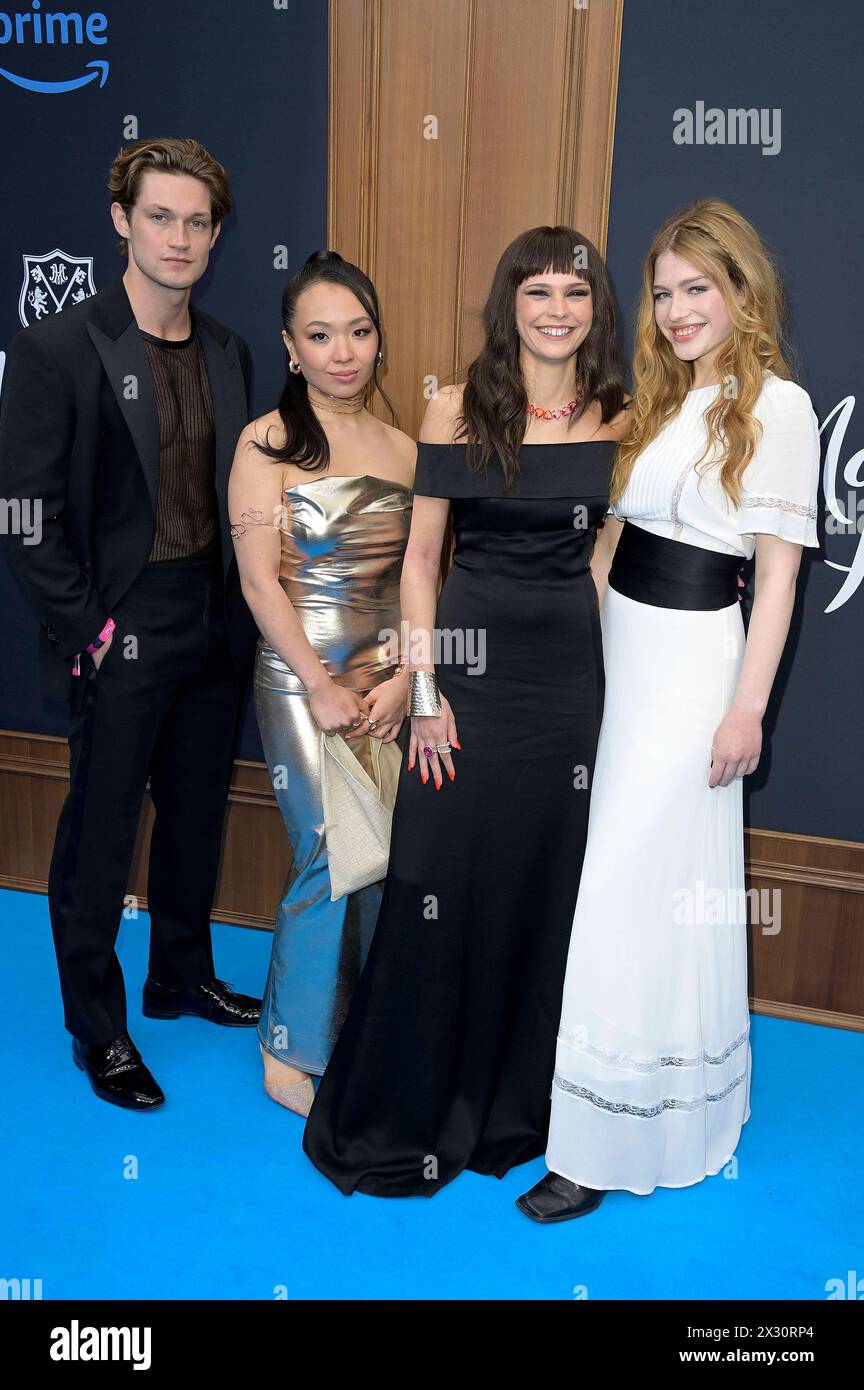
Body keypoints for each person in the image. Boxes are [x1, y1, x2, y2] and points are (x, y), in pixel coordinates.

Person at [303, 225, 630, 1195]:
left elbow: (608, 559)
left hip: (567, 684)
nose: (557, 312)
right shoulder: (454, 409)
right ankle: (413, 1100)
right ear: (510, 306)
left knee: (543, 882)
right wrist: (430, 691)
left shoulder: (619, 414)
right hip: (467, 679)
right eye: (537, 294)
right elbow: (419, 562)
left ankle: (517, 1104)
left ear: (594, 309)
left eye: (575, 294)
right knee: (437, 876)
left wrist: (629, 685)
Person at [516, 199, 821, 1221]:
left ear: (741, 290)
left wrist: (748, 713)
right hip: (622, 666)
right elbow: (609, 550)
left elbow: (774, 582)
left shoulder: (777, 407)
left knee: (628, 889)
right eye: (664, 293)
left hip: (696, 674)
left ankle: (601, 1145)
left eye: (700, 288)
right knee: (624, 884)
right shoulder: (655, 403)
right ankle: (611, 1105)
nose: (680, 309)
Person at [0, 138, 262, 1111]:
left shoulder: (232, 351)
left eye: (198, 221)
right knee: (101, 835)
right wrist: (90, 628)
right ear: (121, 219)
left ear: (217, 234)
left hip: (212, 616)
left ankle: (179, 977)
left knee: (196, 813)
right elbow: (24, 511)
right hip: (120, 623)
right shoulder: (59, 347)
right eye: (161, 216)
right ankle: (97, 1030)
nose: (180, 237)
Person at [228, 251, 415, 1116]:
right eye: (320, 335)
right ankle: (289, 1045)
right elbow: (260, 582)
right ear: (291, 347)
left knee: (382, 859)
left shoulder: (409, 450)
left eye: (359, 331)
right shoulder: (267, 441)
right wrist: (319, 683)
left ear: (379, 339)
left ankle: (362, 1024)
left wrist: (410, 677)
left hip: (386, 683)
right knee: (326, 853)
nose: (344, 351)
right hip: (301, 677)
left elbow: (424, 576)